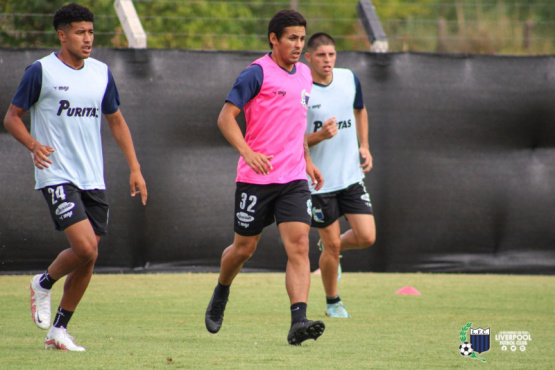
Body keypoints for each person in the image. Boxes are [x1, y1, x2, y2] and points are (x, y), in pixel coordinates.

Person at [3, 3, 147, 351]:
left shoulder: (100, 72)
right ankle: (43, 282)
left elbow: (116, 120)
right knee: (85, 246)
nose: (87, 39)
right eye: (80, 32)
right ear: (62, 34)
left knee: (90, 255)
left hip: (92, 177)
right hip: (56, 174)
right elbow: (11, 117)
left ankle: (59, 331)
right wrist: (33, 145)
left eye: (91, 32)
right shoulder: (41, 71)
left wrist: (135, 168)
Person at [205, 9, 325, 346]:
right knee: (243, 250)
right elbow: (225, 118)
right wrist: (247, 152)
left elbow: (297, 123)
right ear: (274, 39)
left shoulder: (304, 74)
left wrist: (308, 160)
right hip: (255, 180)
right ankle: (221, 291)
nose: (298, 45)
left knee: (299, 245)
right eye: (291, 38)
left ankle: (298, 321)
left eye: (302, 38)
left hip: (293, 178)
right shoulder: (256, 73)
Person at [304, 32, 376, 318]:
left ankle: (328, 247)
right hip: (319, 185)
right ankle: (333, 302)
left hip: (350, 178)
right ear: (308, 57)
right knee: (333, 246)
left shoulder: (348, 79)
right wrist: (319, 136)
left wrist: (365, 146)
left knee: (367, 236)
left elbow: (360, 111)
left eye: (331, 55)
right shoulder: (303, 90)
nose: (327, 61)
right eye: (321, 55)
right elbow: (292, 139)